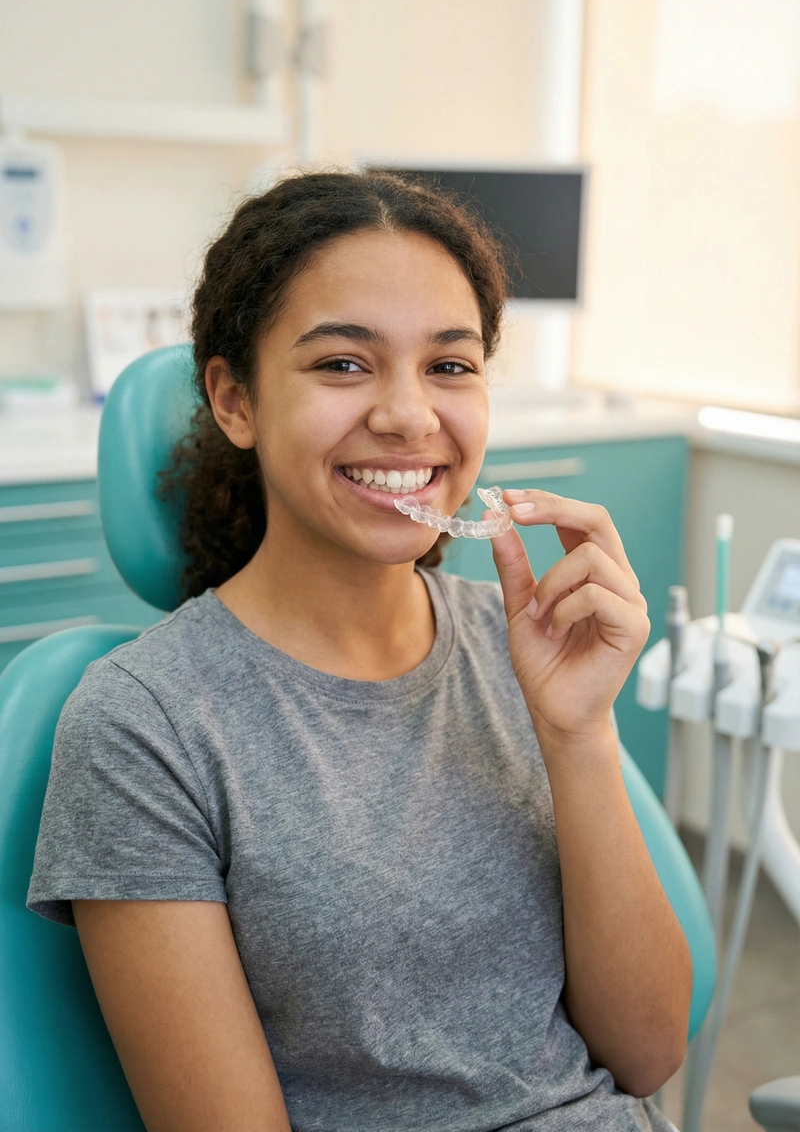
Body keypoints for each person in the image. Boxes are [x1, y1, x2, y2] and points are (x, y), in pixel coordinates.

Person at [27, 170, 690, 1132]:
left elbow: (647, 1052)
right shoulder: (145, 723)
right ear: (235, 400)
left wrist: (579, 732)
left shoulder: (525, 647)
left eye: (450, 367)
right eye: (344, 364)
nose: (409, 416)